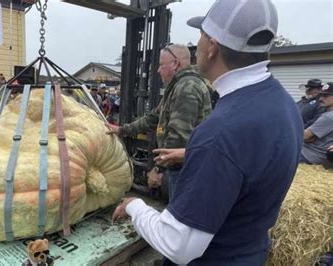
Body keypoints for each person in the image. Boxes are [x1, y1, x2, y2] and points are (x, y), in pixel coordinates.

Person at [112, 1, 304, 265]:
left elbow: (178, 244)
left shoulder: (221, 132)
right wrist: (191, 153)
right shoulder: (283, 103)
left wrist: (135, 206)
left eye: (200, 36)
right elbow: (248, 161)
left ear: (212, 47)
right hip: (248, 251)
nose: (197, 46)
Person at [107, 43, 212, 201]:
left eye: (161, 65)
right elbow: (152, 118)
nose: (157, 70)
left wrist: (158, 170)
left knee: (179, 216)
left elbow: (178, 137)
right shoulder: (178, 87)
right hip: (181, 166)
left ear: (175, 64)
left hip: (184, 169)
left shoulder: (186, 87)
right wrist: (122, 130)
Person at [300, 82, 333, 164]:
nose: (320, 99)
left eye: (326, 96)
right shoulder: (326, 114)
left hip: (309, 155)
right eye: (320, 95)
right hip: (316, 154)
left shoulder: (328, 117)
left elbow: (302, 137)